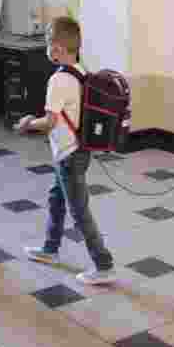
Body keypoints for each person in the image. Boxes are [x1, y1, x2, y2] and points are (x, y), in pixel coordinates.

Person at [16, 16, 116, 285]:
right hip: (78, 150)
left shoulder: (59, 80)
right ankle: (50, 248)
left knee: (79, 211)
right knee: (57, 198)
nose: (47, 48)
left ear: (58, 48)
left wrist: (27, 124)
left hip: (69, 155)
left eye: (48, 43)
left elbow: (50, 121)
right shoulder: (81, 71)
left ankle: (103, 264)